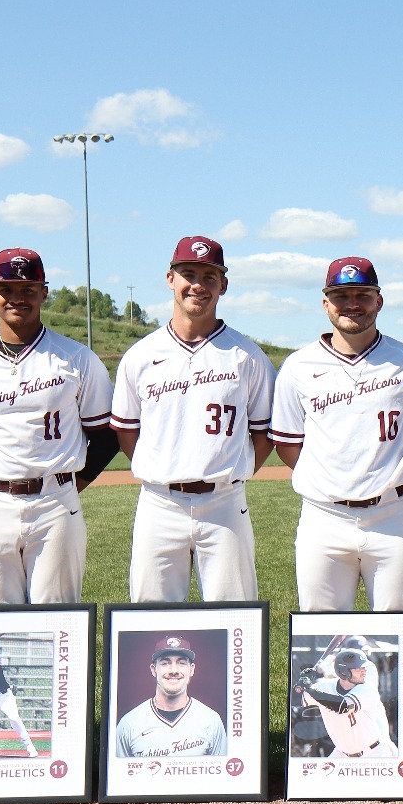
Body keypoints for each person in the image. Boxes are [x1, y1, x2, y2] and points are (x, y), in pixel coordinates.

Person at [0, 248, 115, 605]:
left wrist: (65, 484)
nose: (17, 298)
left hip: (56, 501)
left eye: (28, 289)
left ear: (44, 292)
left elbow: (106, 437)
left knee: (58, 614)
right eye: (7, 289)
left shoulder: (77, 359)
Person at [112, 236, 274, 603]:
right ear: (171, 279)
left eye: (209, 275)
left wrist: (235, 470)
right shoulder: (141, 356)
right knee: (151, 616)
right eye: (188, 273)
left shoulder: (247, 356)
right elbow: (126, 430)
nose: (198, 284)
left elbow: (263, 435)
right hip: (159, 502)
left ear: (223, 285)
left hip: (225, 502)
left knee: (236, 615)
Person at [270, 256, 403, 611]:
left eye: (362, 294)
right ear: (325, 303)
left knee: (401, 632)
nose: (352, 304)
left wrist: (385, 472)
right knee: (320, 636)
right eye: (341, 296)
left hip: (393, 515)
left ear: (379, 300)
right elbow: (286, 443)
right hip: (323, 517)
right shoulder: (298, 366)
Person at [114, 635, 227, 757]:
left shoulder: (211, 721)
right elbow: (119, 774)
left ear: (192, 669)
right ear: (153, 669)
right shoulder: (129, 724)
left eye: (182, 663)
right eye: (165, 663)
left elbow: (222, 774)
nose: (174, 670)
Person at [299, 647, 398, 759]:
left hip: (374, 753)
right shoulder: (324, 687)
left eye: (364, 667)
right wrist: (302, 682)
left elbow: (342, 706)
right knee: (319, 776)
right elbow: (298, 698)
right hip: (341, 754)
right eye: (359, 668)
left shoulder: (367, 689)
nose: (364, 671)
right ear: (344, 672)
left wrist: (310, 689)